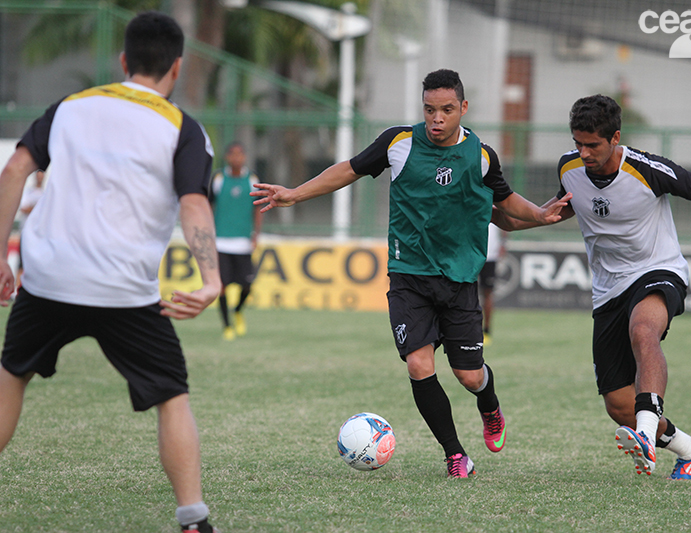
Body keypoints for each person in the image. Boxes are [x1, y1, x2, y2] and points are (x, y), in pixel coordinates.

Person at [251, 69, 571, 478]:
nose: (436, 118)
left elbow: (506, 205)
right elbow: (347, 169)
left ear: (463, 109)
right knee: (419, 365)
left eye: (447, 110)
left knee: (469, 376)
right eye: (429, 110)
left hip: (458, 280)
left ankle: (489, 406)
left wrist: (541, 214)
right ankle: (455, 454)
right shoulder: (398, 143)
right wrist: (295, 193)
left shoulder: (481, 154)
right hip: (408, 275)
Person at [0, 12, 221, 533]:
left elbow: (14, 170)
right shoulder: (183, 129)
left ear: (123, 61)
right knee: (172, 396)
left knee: (12, 375)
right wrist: (211, 279)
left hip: (48, 276)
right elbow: (193, 205)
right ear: (177, 68)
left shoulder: (70, 108)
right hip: (124, 289)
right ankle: (192, 519)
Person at [493, 94, 691, 479]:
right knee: (618, 405)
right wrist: (491, 214)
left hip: (657, 270)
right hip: (607, 289)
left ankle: (645, 435)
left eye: (592, 145)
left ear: (615, 137)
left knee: (643, 330)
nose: (583, 153)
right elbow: (545, 213)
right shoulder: (569, 168)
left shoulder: (648, 169)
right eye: (577, 143)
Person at [209, 141, 262, 340]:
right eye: (233, 154)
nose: (236, 158)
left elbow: (258, 207)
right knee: (221, 285)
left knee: (247, 285)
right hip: (220, 241)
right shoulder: (218, 178)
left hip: (243, 242)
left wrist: (256, 234)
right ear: (227, 157)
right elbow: (208, 205)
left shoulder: (252, 179)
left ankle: (238, 310)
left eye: (240, 154)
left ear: (245, 157)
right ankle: (227, 326)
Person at [15, 169, 46, 288]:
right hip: (26, 232)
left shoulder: (46, 193)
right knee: (21, 264)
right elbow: (24, 208)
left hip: (41, 234)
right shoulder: (28, 192)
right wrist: (38, 208)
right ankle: (17, 290)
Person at [478, 223, 505, 346]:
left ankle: (486, 330)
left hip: (490, 254)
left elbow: (505, 221)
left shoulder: (494, 203)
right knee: (464, 291)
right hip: (469, 253)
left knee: (487, 293)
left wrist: (503, 243)